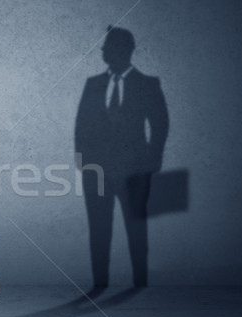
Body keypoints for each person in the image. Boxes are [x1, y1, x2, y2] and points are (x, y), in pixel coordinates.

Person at [74, 26, 169, 288]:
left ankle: (140, 283)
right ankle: (99, 284)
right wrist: (84, 164)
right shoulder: (93, 84)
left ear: (126, 50)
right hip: (97, 173)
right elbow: (82, 126)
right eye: (104, 47)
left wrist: (152, 161)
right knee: (99, 229)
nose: (104, 51)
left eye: (109, 46)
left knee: (136, 228)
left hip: (135, 171)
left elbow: (160, 124)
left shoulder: (148, 84)